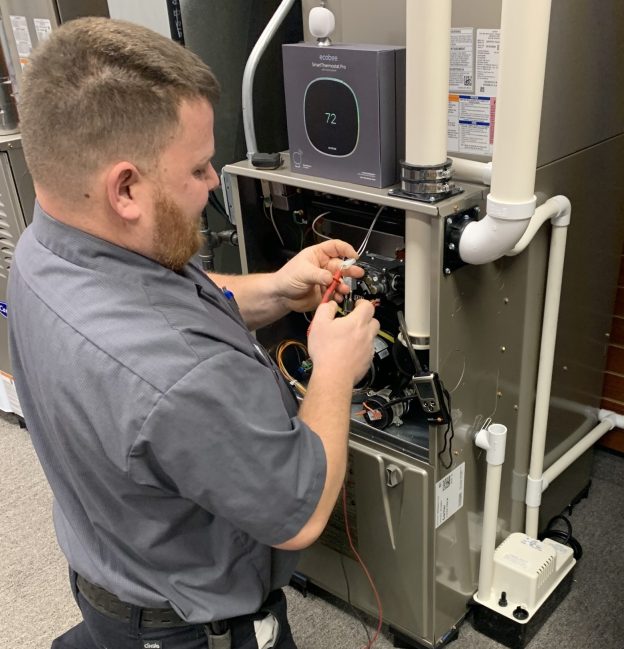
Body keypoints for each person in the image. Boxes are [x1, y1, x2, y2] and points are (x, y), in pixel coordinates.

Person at [9, 16, 379, 649]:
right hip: (188, 627)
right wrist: (335, 367)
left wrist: (275, 288)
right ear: (125, 188)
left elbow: (166, 305)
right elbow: (301, 509)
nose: (214, 185)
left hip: (112, 568)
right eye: (201, 169)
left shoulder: (43, 248)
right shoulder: (176, 373)